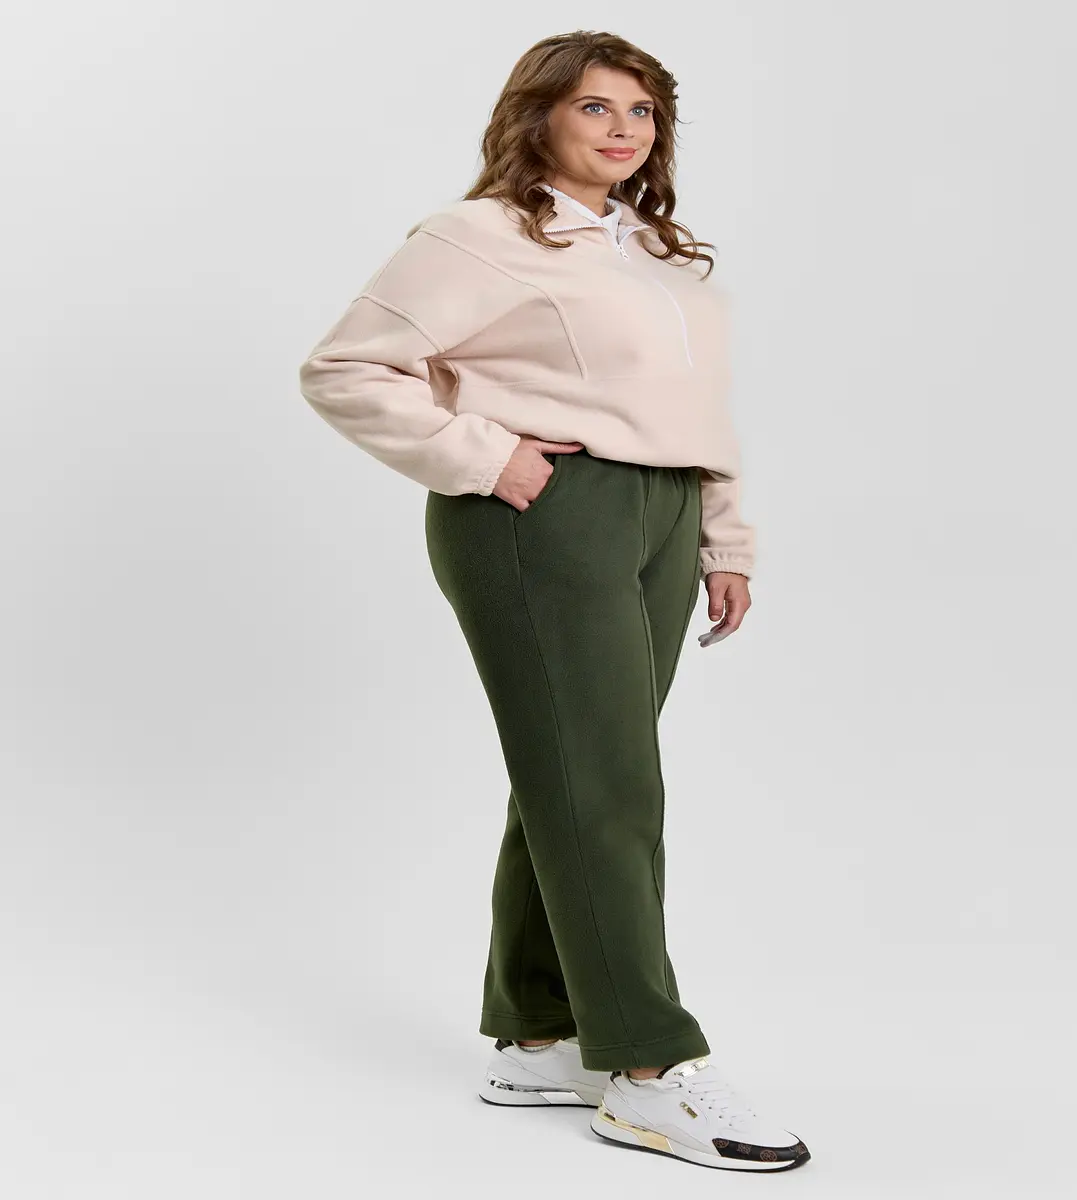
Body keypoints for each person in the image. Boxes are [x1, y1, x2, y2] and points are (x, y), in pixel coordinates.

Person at [297, 29, 809, 1173]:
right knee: (606, 781)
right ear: (539, 117)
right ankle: (648, 1066)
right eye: (596, 107)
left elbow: (698, 409)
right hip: (545, 516)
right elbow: (343, 367)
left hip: (662, 514)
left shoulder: (658, 255)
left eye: (643, 112)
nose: (625, 130)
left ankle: (537, 1036)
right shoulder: (478, 235)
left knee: (579, 774)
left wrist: (724, 539)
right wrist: (486, 456)